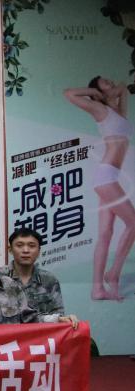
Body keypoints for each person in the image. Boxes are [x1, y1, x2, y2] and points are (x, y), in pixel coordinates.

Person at [64, 76, 135, 300]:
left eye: (109, 80)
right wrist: (95, 94)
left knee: (105, 233)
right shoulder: (99, 109)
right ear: (97, 90)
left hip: (109, 176)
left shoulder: (117, 111)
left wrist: (110, 92)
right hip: (106, 177)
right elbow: (68, 93)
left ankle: (97, 289)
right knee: (133, 223)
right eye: (104, 82)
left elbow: (123, 89)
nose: (110, 81)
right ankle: (113, 274)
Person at [0, 228, 66, 317]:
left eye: (31, 246)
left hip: (41, 326)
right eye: (19, 245)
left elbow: (58, 315)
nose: (26, 250)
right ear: (10, 249)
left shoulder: (49, 279)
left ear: (39, 251)